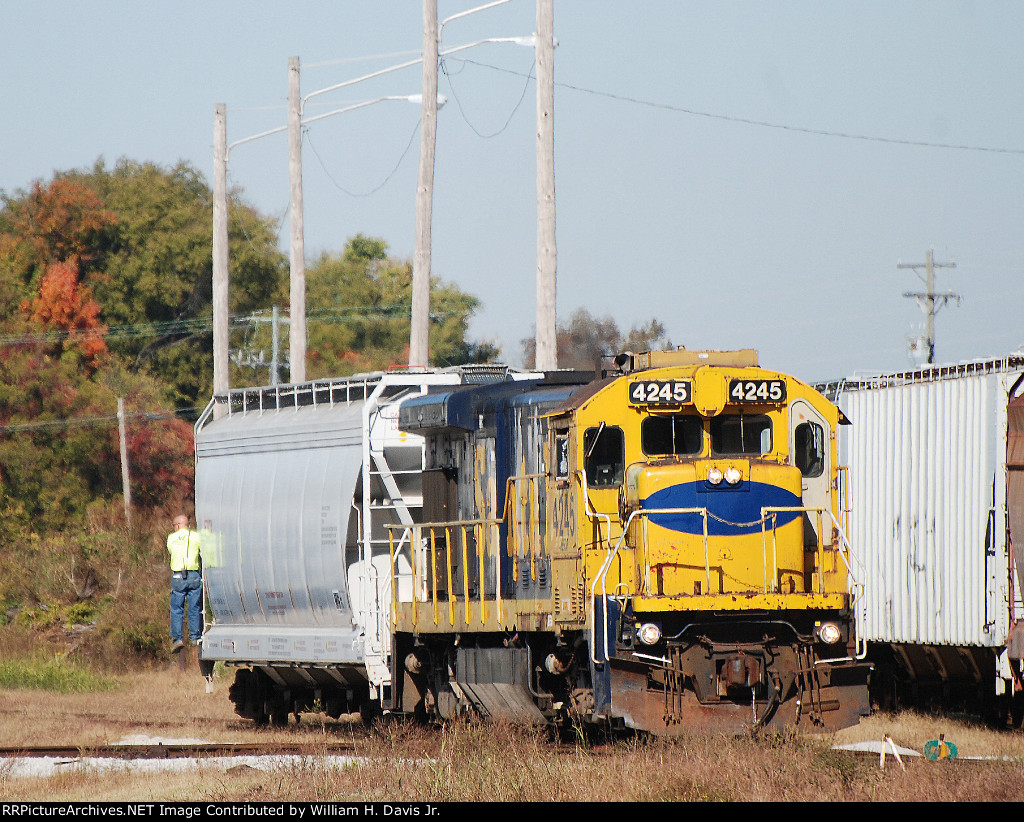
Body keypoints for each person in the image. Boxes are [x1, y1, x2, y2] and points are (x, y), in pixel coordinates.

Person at [167, 513, 202, 653]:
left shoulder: (171, 538)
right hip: (193, 575)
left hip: (178, 576)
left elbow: (172, 551)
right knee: (194, 607)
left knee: (177, 609)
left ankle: (178, 639)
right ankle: (195, 637)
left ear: (177, 525)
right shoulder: (196, 536)